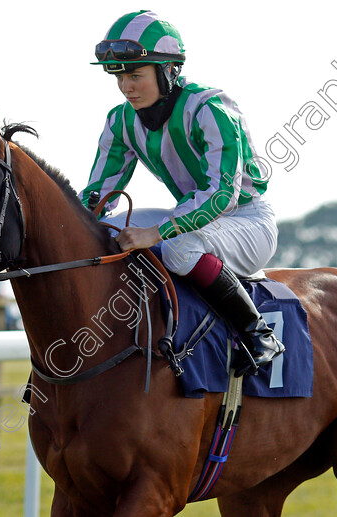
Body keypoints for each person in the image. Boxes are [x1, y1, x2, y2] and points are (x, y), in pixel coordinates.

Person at [80, 10, 284, 376]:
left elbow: (223, 195)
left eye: (136, 75)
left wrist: (155, 233)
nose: (127, 86)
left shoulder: (211, 108)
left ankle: (259, 334)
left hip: (247, 221)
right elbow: (99, 193)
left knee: (176, 245)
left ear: (168, 72)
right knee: (108, 230)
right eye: (120, 77)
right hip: (193, 217)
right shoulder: (120, 119)